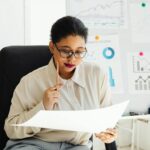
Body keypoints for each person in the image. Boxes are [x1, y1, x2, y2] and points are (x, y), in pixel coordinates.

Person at [4, 16, 117, 150]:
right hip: (33, 145)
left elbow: (107, 121)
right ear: (52, 47)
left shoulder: (96, 75)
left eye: (79, 52)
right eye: (65, 51)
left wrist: (109, 133)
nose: (72, 58)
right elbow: (11, 130)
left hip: (76, 146)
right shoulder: (30, 81)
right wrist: (43, 107)